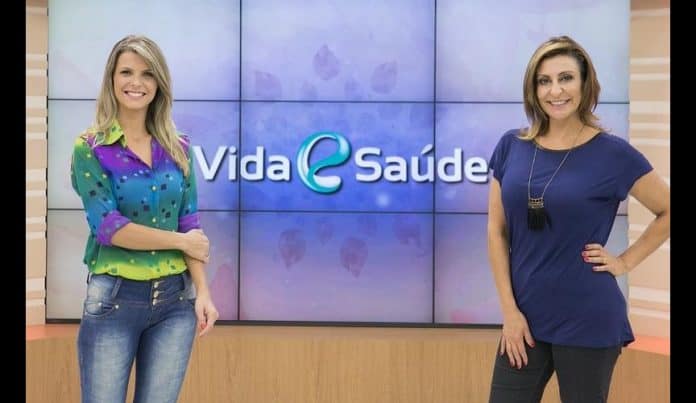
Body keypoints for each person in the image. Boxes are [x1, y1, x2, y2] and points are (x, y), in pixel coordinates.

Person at [486, 35, 670, 403]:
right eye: (544, 80)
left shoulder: (613, 154)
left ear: (586, 85)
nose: (555, 90)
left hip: (588, 316)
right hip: (524, 318)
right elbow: (496, 231)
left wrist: (625, 261)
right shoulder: (512, 145)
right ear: (533, 89)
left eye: (566, 78)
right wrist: (509, 311)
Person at [70, 34, 219, 403]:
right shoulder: (90, 148)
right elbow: (109, 228)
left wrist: (203, 292)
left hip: (176, 303)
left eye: (147, 73)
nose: (136, 82)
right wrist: (181, 242)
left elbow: (189, 222)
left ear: (159, 83)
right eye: (126, 72)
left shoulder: (179, 147)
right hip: (114, 300)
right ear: (112, 79)